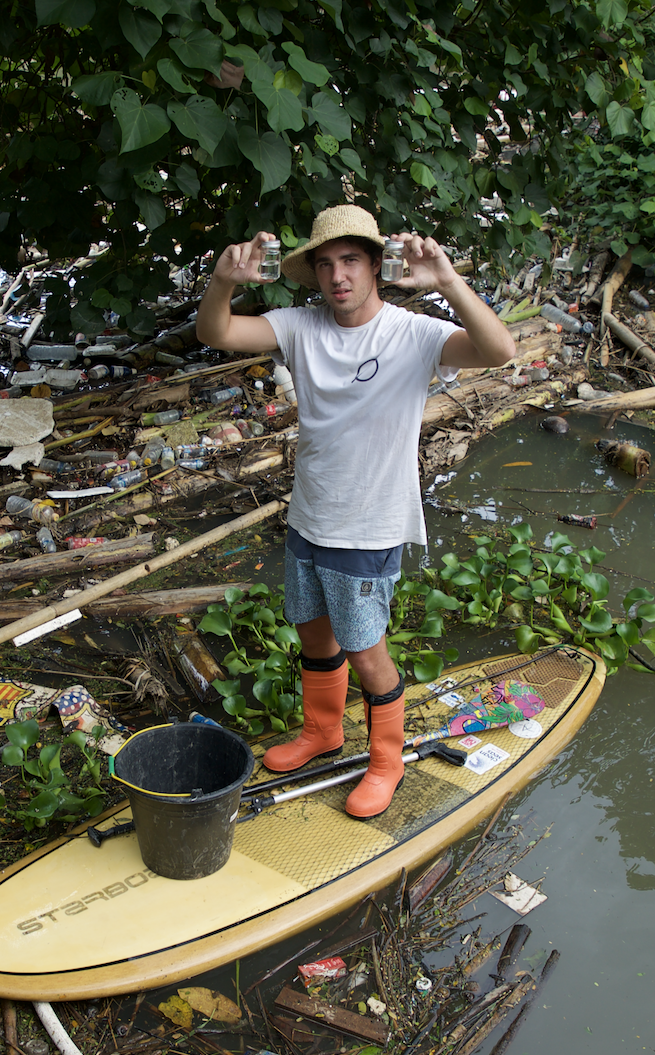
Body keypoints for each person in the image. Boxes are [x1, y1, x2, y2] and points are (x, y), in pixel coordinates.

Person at [196, 204, 517, 817]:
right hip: (310, 514)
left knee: (366, 648)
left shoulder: (412, 333)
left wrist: (448, 281)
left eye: (350, 261)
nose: (338, 276)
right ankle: (322, 731)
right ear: (314, 274)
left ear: (375, 266)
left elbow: (498, 350)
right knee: (313, 632)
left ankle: (386, 761)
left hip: (369, 523)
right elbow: (217, 334)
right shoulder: (300, 325)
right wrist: (223, 280)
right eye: (325, 265)